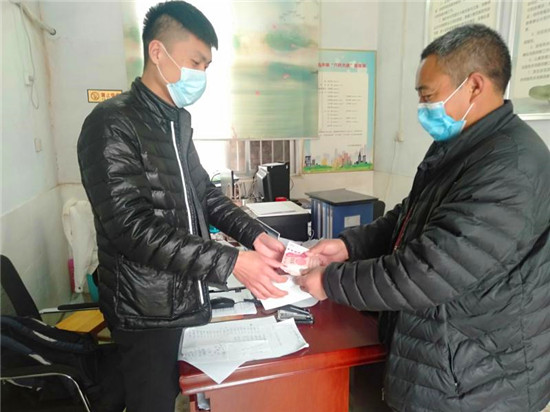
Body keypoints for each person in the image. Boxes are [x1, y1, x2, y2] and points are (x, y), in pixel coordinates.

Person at [297, 24, 550, 412]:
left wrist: (330, 281)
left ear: (474, 86)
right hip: (445, 361)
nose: (422, 108)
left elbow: (428, 270)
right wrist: (348, 246)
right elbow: (410, 216)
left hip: (479, 382)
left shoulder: (511, 167)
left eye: (428, 96)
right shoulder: (462, 145)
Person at [77, 2, 287, 411]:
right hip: (144, 308)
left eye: (206, 66)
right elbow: (132, 229)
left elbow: (204, 193)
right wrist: (232, 262)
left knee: (167, 392)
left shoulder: (176, 121)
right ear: (157, 52)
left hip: (179, 295)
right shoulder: (112, 123)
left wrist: (256, 235)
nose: (200, 75)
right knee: (151, 401)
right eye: (195, 62)